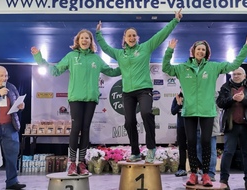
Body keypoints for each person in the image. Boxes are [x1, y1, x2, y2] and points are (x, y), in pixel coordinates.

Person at [162, 36, 247, 187]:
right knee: (191, 142)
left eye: (203, 50)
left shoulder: (213, 67)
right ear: (193, 51)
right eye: (198, 49)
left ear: (206, 53)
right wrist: (169, 50)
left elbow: (234, 64)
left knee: (206, 142)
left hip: (208, 111)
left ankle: (206, 174)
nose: (200, 51)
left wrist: (246, 48)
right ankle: (193, 174)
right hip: (189, 111)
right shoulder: (182, 67)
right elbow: (166, 68)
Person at [96, 9, 183, 163]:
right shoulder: (119, 54)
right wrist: (98, 35)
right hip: (127, 92)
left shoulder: (145, 48)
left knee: (146, 113)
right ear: (124, 38)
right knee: (129, 122)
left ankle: (151, 148)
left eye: (134, 35)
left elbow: (161, 35)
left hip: (144, 90)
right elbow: (106, 48)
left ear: (137, 38)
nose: (131, 37)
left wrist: (175, 21)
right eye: (129, 35)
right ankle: (135, 152)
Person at [31, 29, 121, 176]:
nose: (85, 40)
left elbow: (111, 72)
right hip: (76, 99)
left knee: (86, 129)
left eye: (87, 38)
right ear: (77, 41)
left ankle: (82, 163)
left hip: (91, 99)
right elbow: (55, 71)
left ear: (91, 42)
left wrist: (127, 65)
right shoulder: (71, 56)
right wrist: (39, 58)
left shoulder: (96, 59)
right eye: (82, 38)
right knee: (76, 128)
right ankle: (72, 163)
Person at [216, 67, 247, 190]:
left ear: (244, 76)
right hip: (231, 126)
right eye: (234, 74)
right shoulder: (225, 87)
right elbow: (220, 103)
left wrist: (244, 99)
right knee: (228, 152)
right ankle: (224, 181)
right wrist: (232, 99)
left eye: (239, 74)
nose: (236, 76)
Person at [171, 87, 187, 177]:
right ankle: (182, 168)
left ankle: (199, 168)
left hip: (191, 127)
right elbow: (173, 111)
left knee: (195, 146)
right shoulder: (176, 98)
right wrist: (178, 104)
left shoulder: (191, 97)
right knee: (182, 148)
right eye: (181, 87)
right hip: (180, 127)